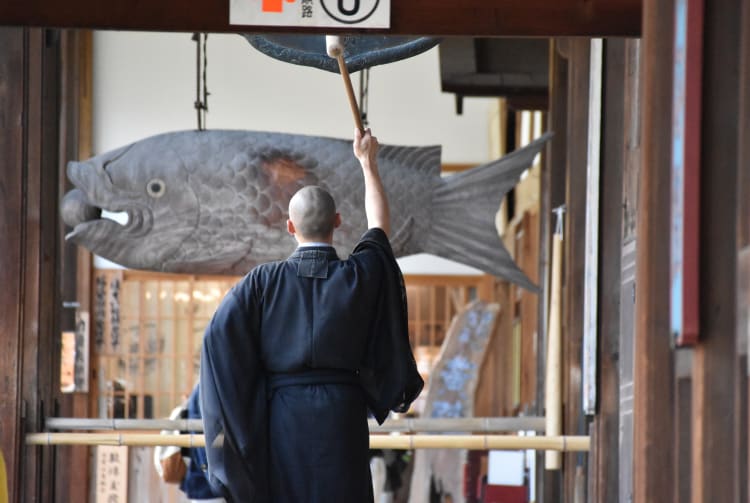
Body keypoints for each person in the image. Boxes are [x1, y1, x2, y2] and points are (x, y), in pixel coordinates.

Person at [199, 128, 424, 502]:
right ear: (337, 222)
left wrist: (250, 392)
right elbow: (379, 229)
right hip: (342, 413)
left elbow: (217, 340)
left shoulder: (262, 282)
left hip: (285, 415)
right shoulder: (358, 276)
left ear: (290, 227)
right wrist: (368, 164)